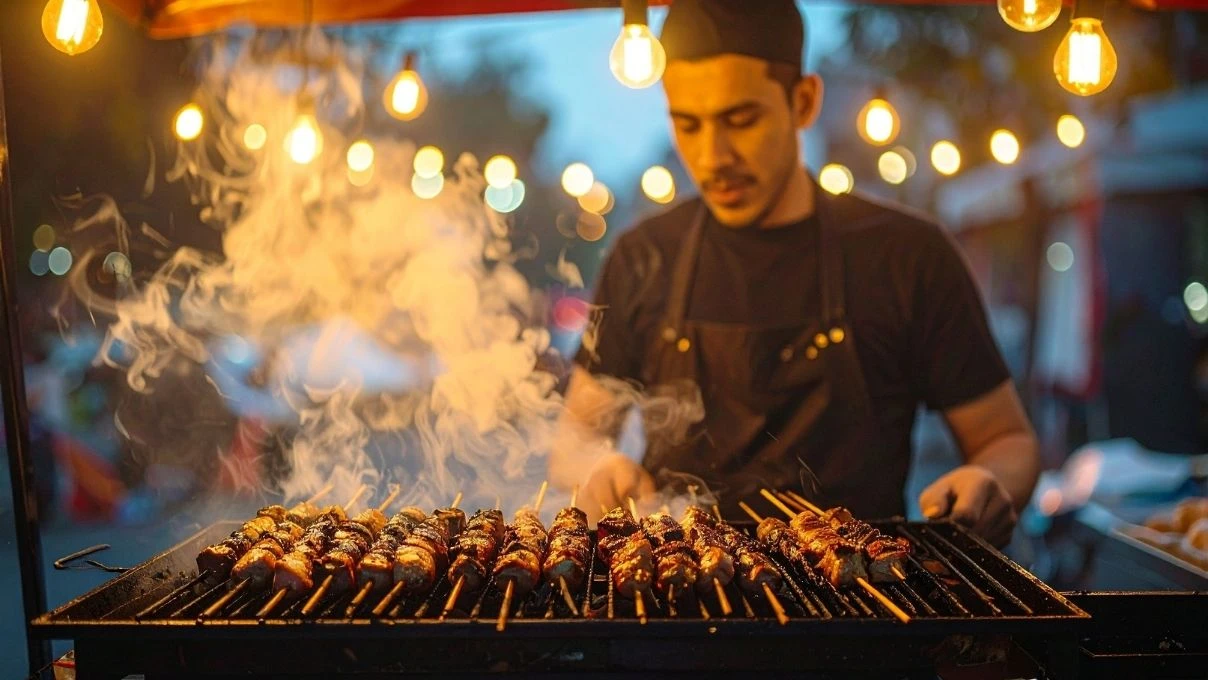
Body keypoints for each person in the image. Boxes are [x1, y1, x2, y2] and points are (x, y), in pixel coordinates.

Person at [548, 0, 1040, 547]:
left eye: (741, 119)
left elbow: (1007, 439)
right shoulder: (643, 255)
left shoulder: (908, 255)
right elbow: (577, 439)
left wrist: (989, 480)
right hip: (678, 604)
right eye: (688, 124)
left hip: (862, 605)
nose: (712, 156)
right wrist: (596, 469)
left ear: (803, 102)